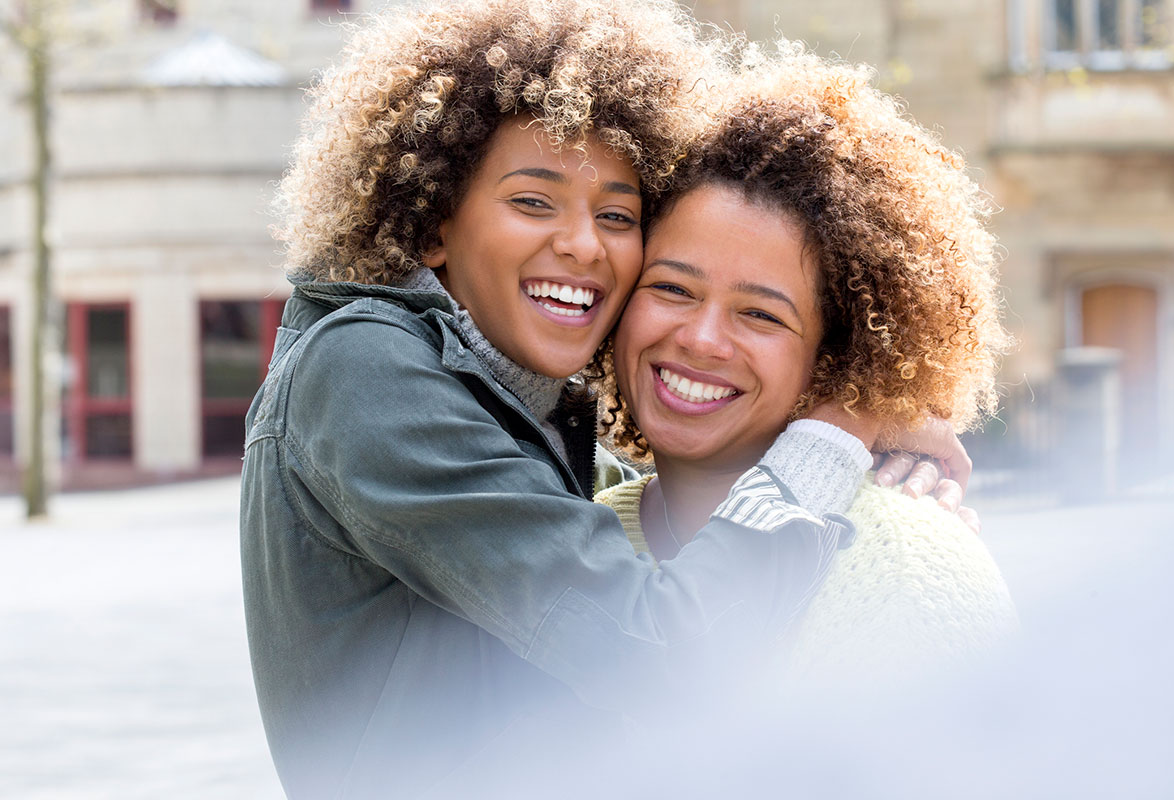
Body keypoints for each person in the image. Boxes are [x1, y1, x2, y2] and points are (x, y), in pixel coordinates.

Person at [240, 2, 964, 796]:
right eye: (532, 201)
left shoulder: (500, 395)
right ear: (432, 227)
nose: (584, 244)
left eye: (618, 215)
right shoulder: (364, 367)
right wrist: (839, 428)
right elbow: (662, 658)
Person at [596, 47, 1017, 681]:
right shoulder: (573, 536)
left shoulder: (906, 568)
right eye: (673, 289)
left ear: (838, 356)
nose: (702, 339)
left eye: (761, 315)